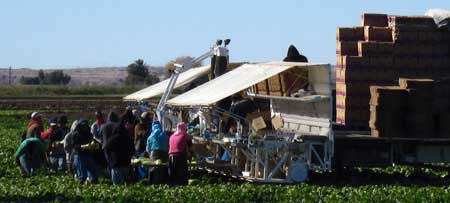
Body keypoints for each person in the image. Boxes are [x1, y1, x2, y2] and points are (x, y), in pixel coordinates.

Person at [104, 120, 135, 184]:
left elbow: (106, 149)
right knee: (127, 185)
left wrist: (110, 160)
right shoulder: (128, 138)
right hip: (126, 164)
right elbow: (133, 150)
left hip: (116, 165)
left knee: (118, 186)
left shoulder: (112, 139)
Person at [70, 119, 99, 184]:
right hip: (79, 155)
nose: (84, 127)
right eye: (83, 126)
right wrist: (84, 146)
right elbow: (74, 146)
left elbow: (93, 140)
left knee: (93, 173)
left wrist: (94, 145)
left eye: (85, 125)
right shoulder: (76, 134)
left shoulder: (89, 134)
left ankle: (94, 184)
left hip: (88, 154)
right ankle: (81, 188)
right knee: (82, 175)